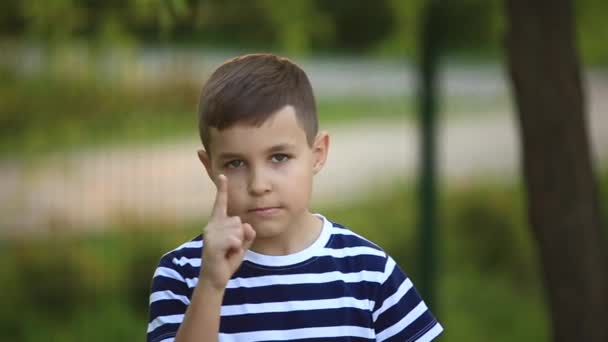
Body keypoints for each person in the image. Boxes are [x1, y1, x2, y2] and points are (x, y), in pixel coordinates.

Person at [146, 53, 443, 342]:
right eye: (235, 163)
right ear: (209, 167)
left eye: (279, 157)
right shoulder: (183, 274)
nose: (259, 185)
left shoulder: (369, 272)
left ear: (317, 154)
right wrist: (211, 284)